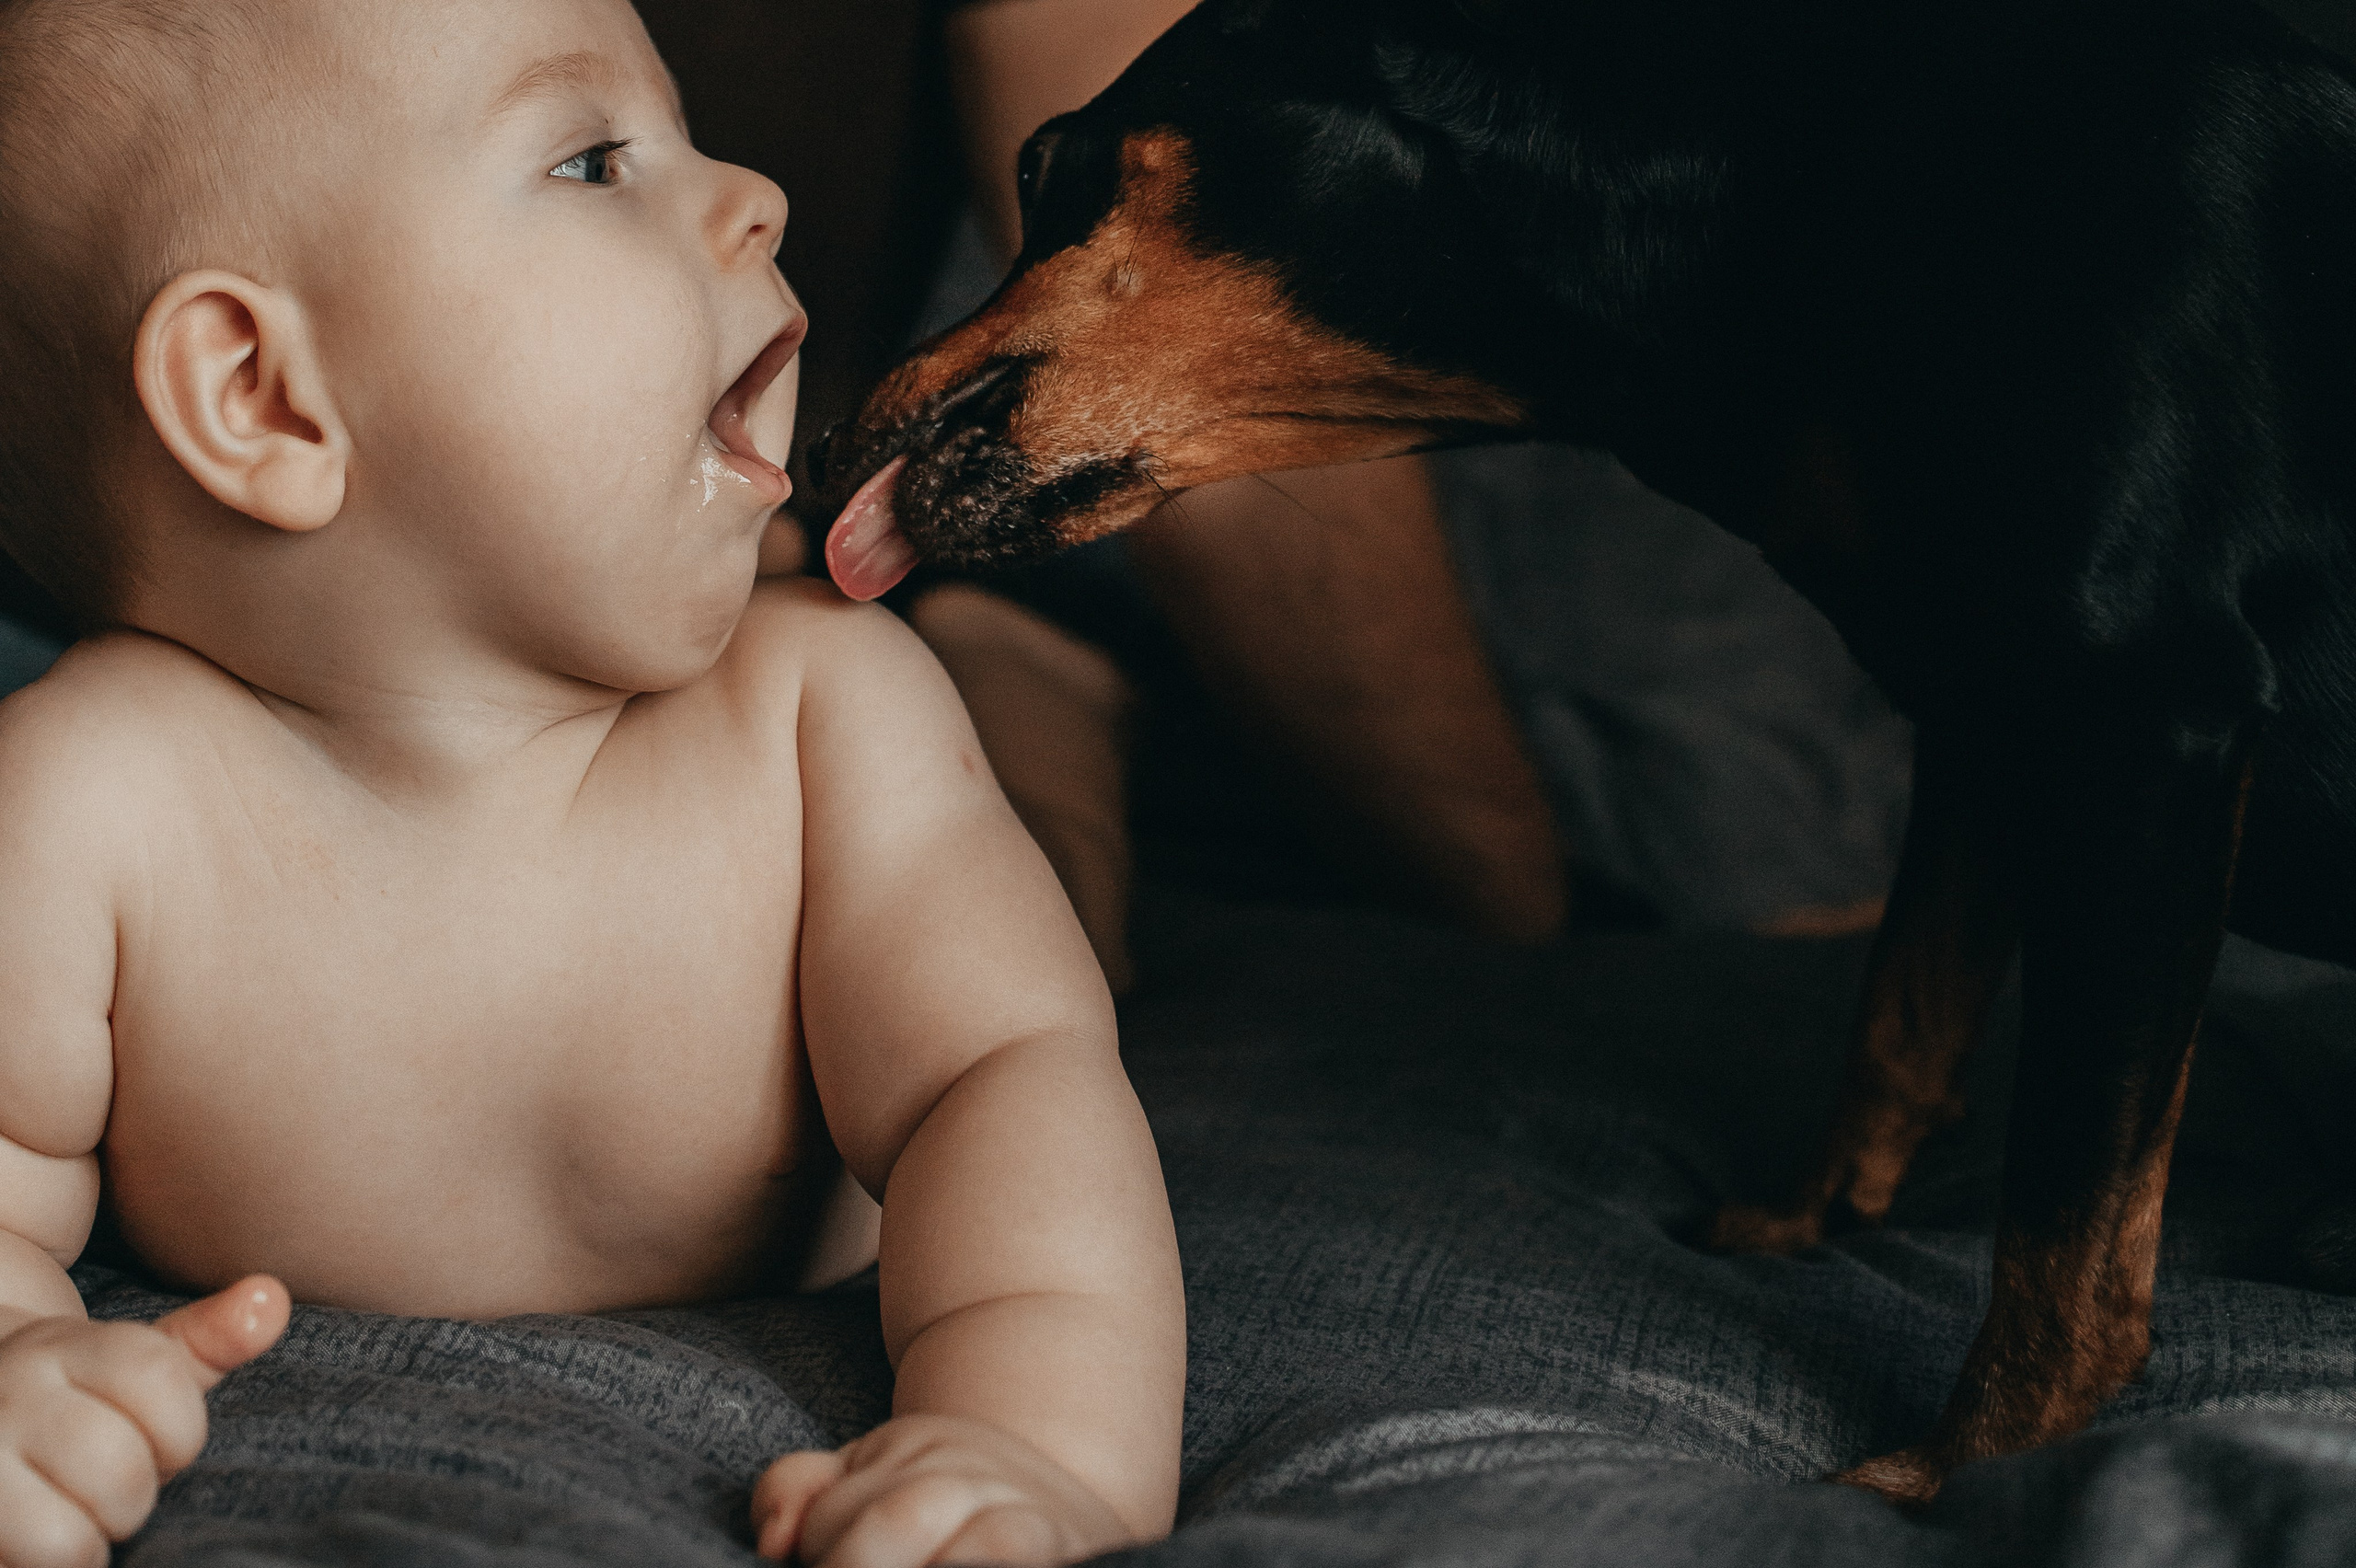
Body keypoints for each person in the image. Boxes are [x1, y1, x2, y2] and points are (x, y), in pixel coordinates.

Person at [0, 3, 1183, 1566]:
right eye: (593, 160)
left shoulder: (819, 717)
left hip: (928, 850)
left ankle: (1038, 687)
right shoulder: (94, 801)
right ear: (267, 398)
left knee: (1063, 930)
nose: (751, 192)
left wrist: (1033, 1443)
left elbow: (1012, 1081)